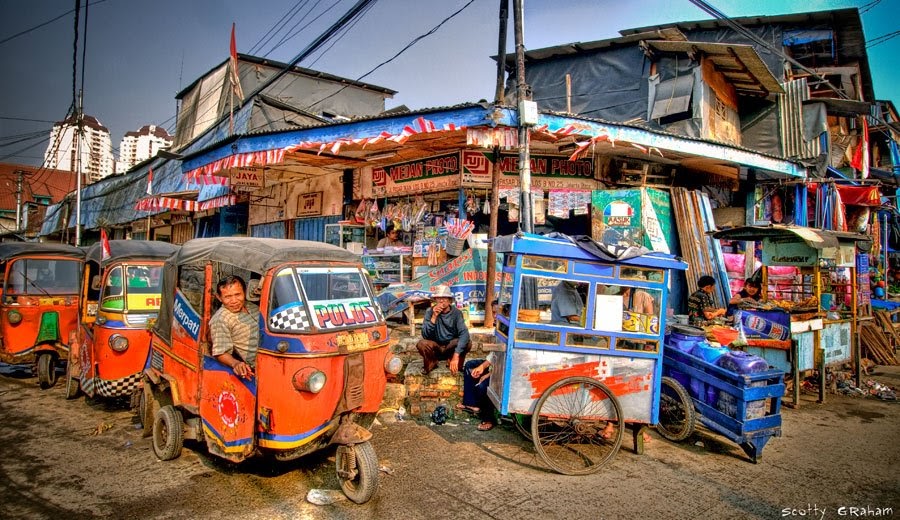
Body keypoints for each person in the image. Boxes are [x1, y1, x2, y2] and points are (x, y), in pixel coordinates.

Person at [210, 275, 260, 380]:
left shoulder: (251, 306)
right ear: (219, 298)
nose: (234, 301)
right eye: (228, 297)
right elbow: (221, 352)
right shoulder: (221, 319)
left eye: (238, 294)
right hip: (259, 366)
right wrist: (236, 364)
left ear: (244, 292)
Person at [416, 284, 470, 375]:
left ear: (449, 301)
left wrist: (456, 355)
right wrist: (434, 316)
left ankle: (454, 362)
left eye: (444, 298)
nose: (441, 301)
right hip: (436, 347)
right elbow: (425, 335)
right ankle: (432, 362)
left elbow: (464, 334)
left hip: (450, 347)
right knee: (422, 344)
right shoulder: (430, 312)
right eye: (438, 298)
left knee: (467, 342)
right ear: (435, 300)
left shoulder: (456, 313)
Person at [456, 352, 497, 431]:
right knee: (469, 366)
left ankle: (488, 419)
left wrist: (489, 374)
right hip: (493, 367)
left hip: (501, 372)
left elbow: (506, 367)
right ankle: (472, 404)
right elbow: (494, 355)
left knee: (484, 386)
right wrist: (482, 367)